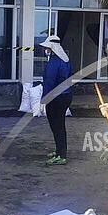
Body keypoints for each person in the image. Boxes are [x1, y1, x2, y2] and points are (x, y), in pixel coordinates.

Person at [41, 35, 72, 165]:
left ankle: (61, 155)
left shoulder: (54, 62)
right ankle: (59, 150)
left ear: (51, 48)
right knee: (59, 125)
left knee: (57, 126)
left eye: (47, 47)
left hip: (55, 98)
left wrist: (44, 100)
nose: (46, 49)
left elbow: (49, 82)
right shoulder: (65, 60)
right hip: (66, 96)